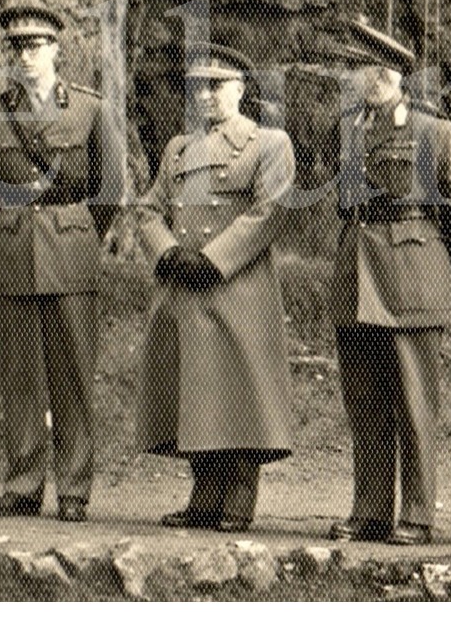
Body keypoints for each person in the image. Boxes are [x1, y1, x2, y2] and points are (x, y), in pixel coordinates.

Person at [322, 19, 451, 547]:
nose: (351, 76)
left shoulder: (433, 131)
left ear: (386, 74)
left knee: (414, 401)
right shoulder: (349, 128)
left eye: (358, 67)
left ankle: (415, 514)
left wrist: (434, 262)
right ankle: (369, 510)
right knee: (364, 402)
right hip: (356, 273)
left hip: (411, 272)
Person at [133, 42, 296, 533]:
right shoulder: (179, 149)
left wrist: (214, 257)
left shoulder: (268, 143)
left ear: (241, 90)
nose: (206, 96)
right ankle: (204, 491)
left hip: (236, 285)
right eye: (198, 87)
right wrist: (166, 251)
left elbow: (271, 209)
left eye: (217, 86)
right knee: (195, 390)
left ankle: (240, 492)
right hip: (184, 284)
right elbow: (147, 209)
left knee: (241, 390)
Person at [0, 5, 113, 523]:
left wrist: (74, 228)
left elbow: (109, 188)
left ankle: (73, 489)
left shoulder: (90, 109)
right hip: (14, 250)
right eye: (16, 47)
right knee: (20, 376)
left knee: (72, 374)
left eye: (35, 46)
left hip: (70, 249)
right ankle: (23, 484)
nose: (25, 55)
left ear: (56, 49)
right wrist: (14, 218)